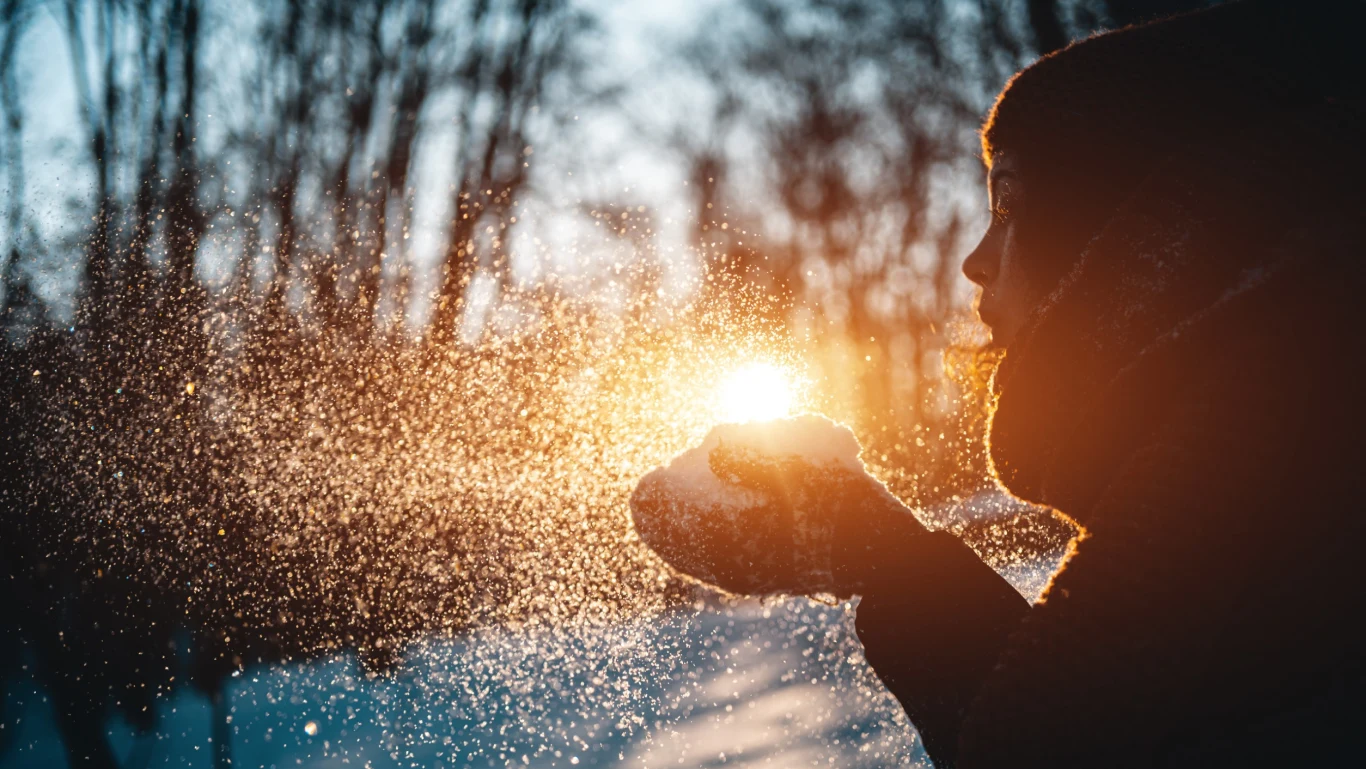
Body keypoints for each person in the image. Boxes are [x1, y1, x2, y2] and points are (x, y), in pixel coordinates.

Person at [632, 1, 1366, 766]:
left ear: (1134, 221)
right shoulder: (1272, 428)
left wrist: (892, 562)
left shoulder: (1259, 450)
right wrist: (887, 559)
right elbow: (1127, 732)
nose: (974, 260)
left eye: (1011, 203)